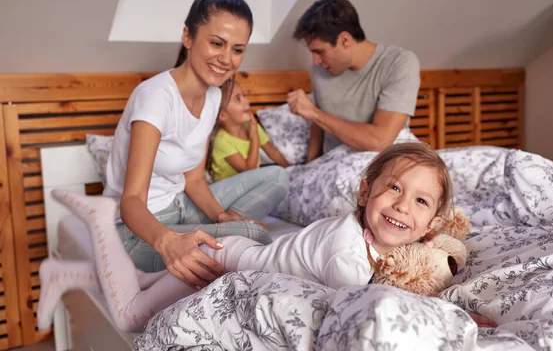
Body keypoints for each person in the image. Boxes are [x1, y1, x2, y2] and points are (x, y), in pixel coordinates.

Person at [36, 142, 495, 332]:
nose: (401, 205)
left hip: (237, 252)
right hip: (220, 266)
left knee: (136, 281)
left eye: (420, 202)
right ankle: (100, 217)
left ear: (435, 222)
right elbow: (366, 307)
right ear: (365, 190)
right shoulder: (346, 250)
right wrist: (456, 320)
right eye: (393, 187)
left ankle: (69, 271)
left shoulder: (388, 240)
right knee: (131, 315)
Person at [102, 0, 288, 289]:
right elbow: (132, 200)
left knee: (279, 177)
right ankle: (204, 235)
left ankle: (210, 228)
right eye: (217, 43)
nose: (227, 58)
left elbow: (195, 180)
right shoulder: (156, 97)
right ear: (188, 37)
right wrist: (168, 242)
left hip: (182, 205)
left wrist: (221, 216)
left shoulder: (215, 96)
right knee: (256, 236)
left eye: (237, 49)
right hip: (138, 229)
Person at [288, 0, 421, 162]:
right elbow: (319, 125)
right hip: (336, 164)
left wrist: (315, 114)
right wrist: (309, 165)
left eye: (320, 52)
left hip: (384, 160)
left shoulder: (399, 62)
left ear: (345, 40)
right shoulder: (319, 71)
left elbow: (380, 141)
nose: (315, 61)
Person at [210, 81, 290, 182]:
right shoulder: (222, 141)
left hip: (249, 183)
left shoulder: (250, 126)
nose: (247, 101)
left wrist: (290, 168)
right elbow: (249, 170)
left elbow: (274, 153)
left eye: (244, 96)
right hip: (229, 191)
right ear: (223, 115)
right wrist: (255, 137)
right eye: (238, 99)